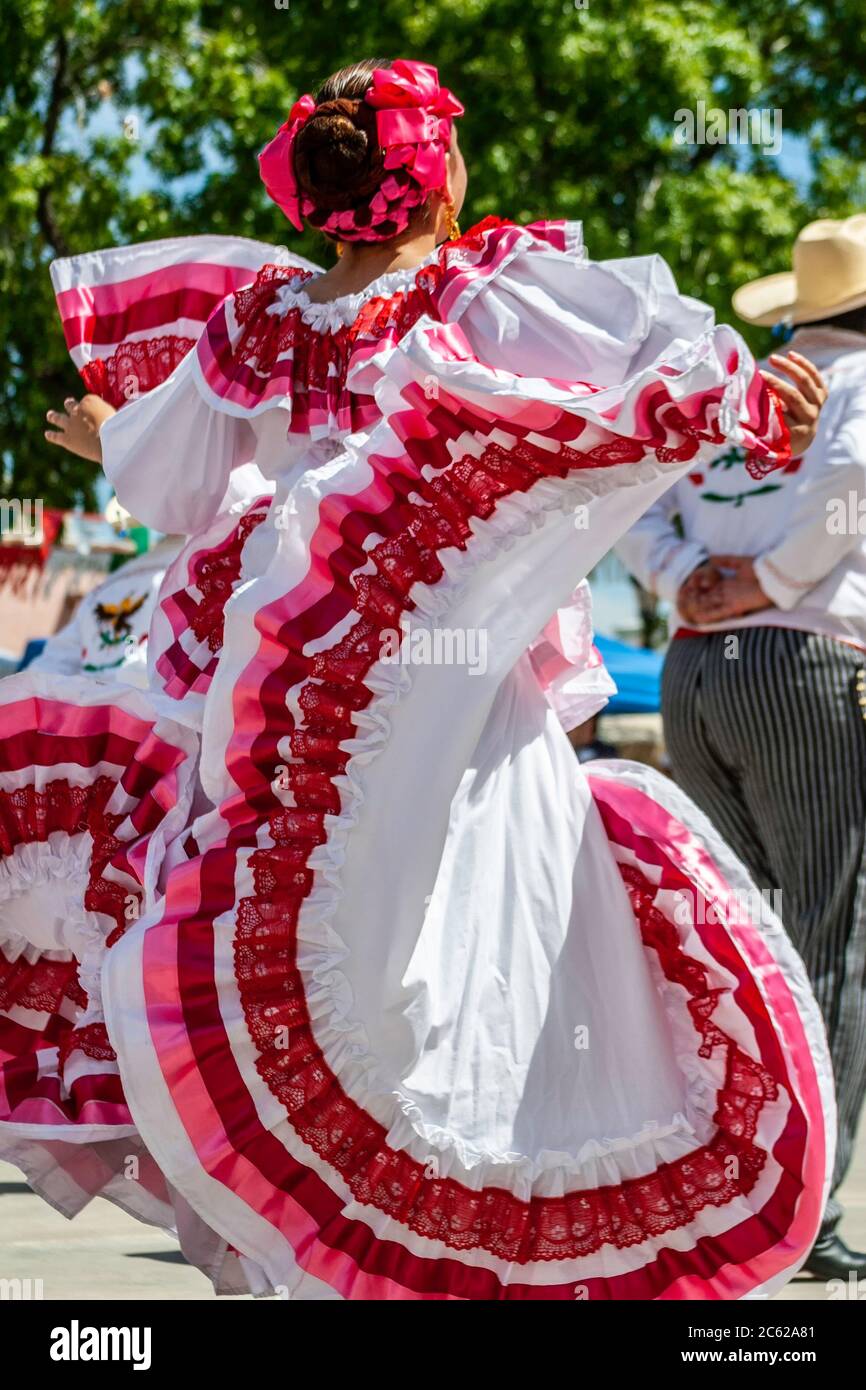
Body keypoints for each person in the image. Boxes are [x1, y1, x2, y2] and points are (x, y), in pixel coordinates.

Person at [0, 57, 836, 1300]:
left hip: (290, 696)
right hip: (452, 684)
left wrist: (118, 434)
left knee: (313, 938)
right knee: (481, 942)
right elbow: (654, 368)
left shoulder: (261, 320)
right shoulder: (482, 286)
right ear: (435, 172)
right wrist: (753, 401)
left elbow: (167, 485)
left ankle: (317, 1255)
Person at [617, 214, 866, 1280]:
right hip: (803, 666)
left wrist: (686, 583)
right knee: (832, 933)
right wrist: (764, 585)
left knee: (739, 937)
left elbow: (631, 493)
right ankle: (798, 1208)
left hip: (692, 673)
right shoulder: (856, 387)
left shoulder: (736, 392)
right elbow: (846, 494)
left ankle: (723, 1183)